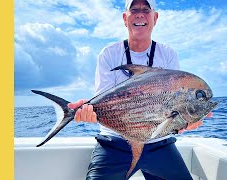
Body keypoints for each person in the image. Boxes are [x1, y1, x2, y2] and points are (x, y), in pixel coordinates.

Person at [68, 0, 210, 179]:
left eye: (146, 9)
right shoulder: (109, 54)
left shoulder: (167, 55)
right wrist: (90, 110)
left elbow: (174, 106)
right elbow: (102, 99)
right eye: (134, 9)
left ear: (155, 17)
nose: (140, 14)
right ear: (125, 18)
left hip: (159, 143)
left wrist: (183, 122)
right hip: (114, 142)